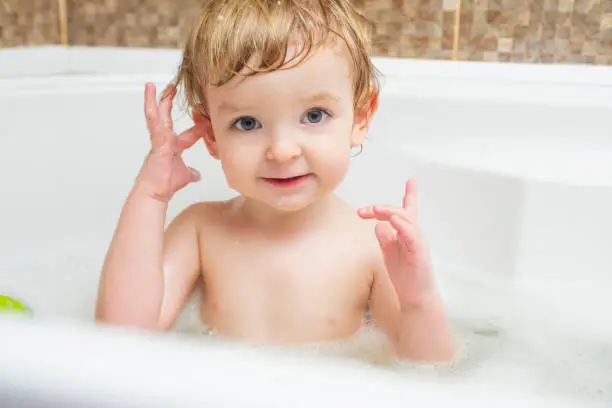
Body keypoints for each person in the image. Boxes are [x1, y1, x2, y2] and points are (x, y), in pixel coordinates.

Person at [95, 0, 455, 362]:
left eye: (314, 115)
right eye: (247, 123)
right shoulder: (201, 230)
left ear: (359, 119)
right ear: (212, 136)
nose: (282, 151)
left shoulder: (372, 246)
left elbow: (426, 370)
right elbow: (124, 338)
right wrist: (150, 196)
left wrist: (418, 300)